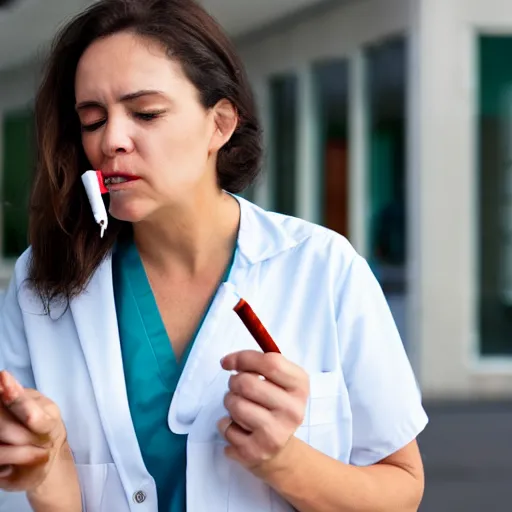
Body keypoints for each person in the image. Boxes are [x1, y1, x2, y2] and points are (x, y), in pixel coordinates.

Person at [0, 0, 428, 510]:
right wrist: (45, 469)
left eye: (146, 113)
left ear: (220, 124)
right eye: (92, 120)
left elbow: (401, 489)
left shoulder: (323, 269)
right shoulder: (40, 282)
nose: (111, 140)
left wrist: (284, 462)